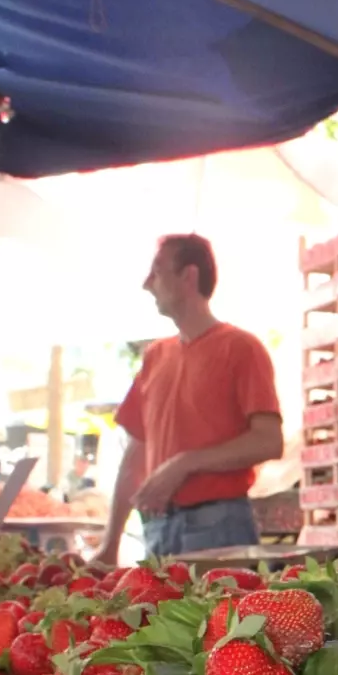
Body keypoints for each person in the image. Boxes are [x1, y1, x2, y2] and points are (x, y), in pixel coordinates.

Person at [96, 234, 283, 563]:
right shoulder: (155, 356)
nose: (146, 284)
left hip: (219, 525)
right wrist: (110, 545)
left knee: (225, 616)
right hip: (157, 529)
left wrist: (185, 463)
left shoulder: (240, 348)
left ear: (189, 276)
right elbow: (135, 453)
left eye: (157, 271)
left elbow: (268, 442)